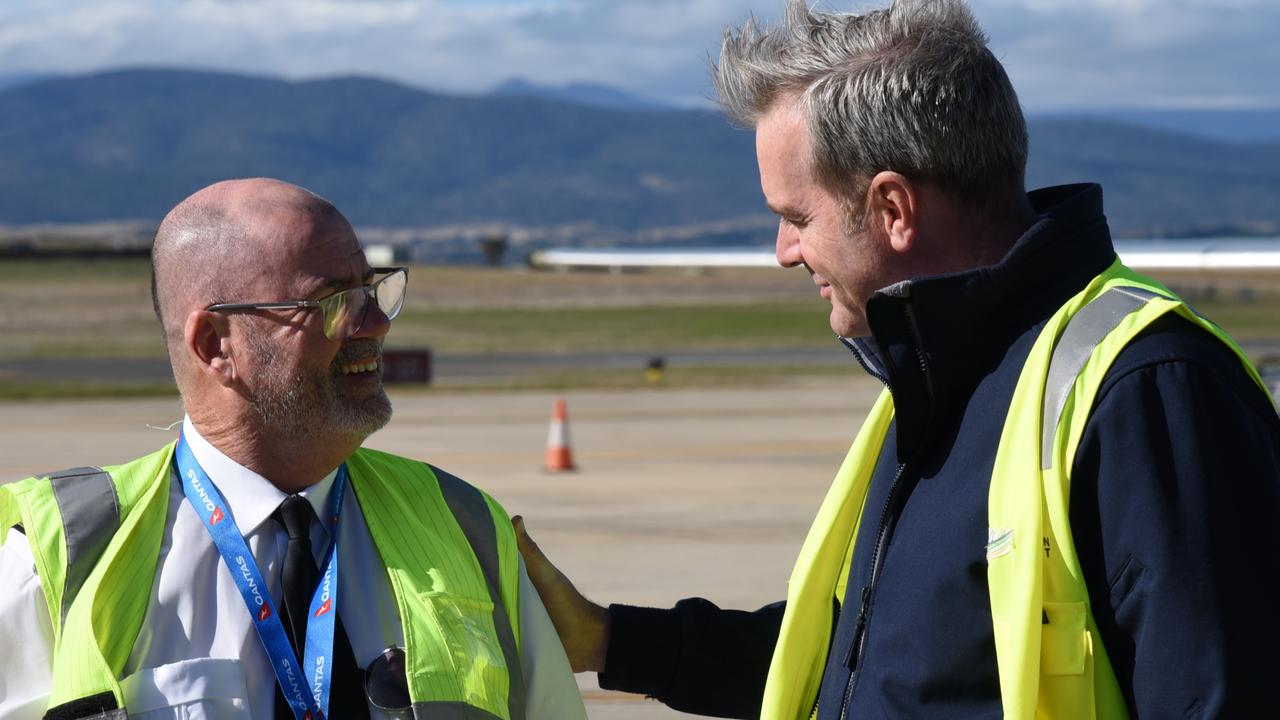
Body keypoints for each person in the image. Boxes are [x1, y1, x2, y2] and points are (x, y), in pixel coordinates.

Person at [515, 1, 1280, 718]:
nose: (784, 253)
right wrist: (610, 641)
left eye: (795, 217)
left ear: (892, 208)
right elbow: (869, 663)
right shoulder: (941, 377)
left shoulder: (1148, 391)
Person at [0, 178, 587, 720]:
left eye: (372, 290)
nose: (375, 324)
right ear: (215, 344)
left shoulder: (467, 527)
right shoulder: (64, 557)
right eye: (331, 302)